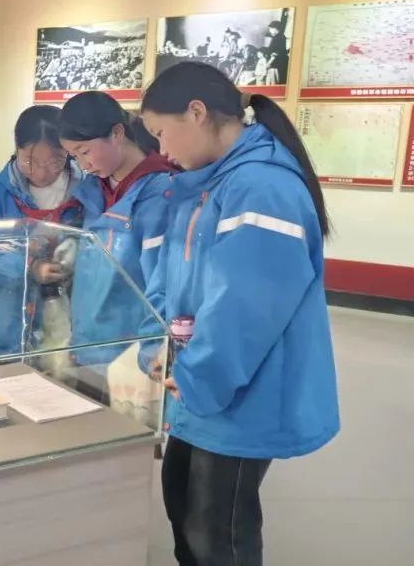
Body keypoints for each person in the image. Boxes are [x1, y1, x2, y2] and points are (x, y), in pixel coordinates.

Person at [139, 61, 339, 566]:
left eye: (161, 133)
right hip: (198, 383)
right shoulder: (204, 184)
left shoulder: (261, 187)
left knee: (218, 531)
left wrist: (198, 373)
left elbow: (246, 308)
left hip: (239, 390)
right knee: (183, 504)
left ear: (197, 112)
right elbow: (173, 277)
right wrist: (164, 347)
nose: (162, 150)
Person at [56, 92, 174, 368]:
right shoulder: (91, 191)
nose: (83, 165)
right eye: (74, 156)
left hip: (133, 354)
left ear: (117, 133)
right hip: (88, 346)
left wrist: (152, 351)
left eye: (85, 151)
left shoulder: (162, 195)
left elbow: (165, 286)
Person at [0, 105, 83, 359]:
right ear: (16, 148)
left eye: (54, 161)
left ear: (68, 151)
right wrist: (28, 266)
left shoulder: (86, 192)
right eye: (30, 161)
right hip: (10, 331)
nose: (41, 172)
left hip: (72, 335)